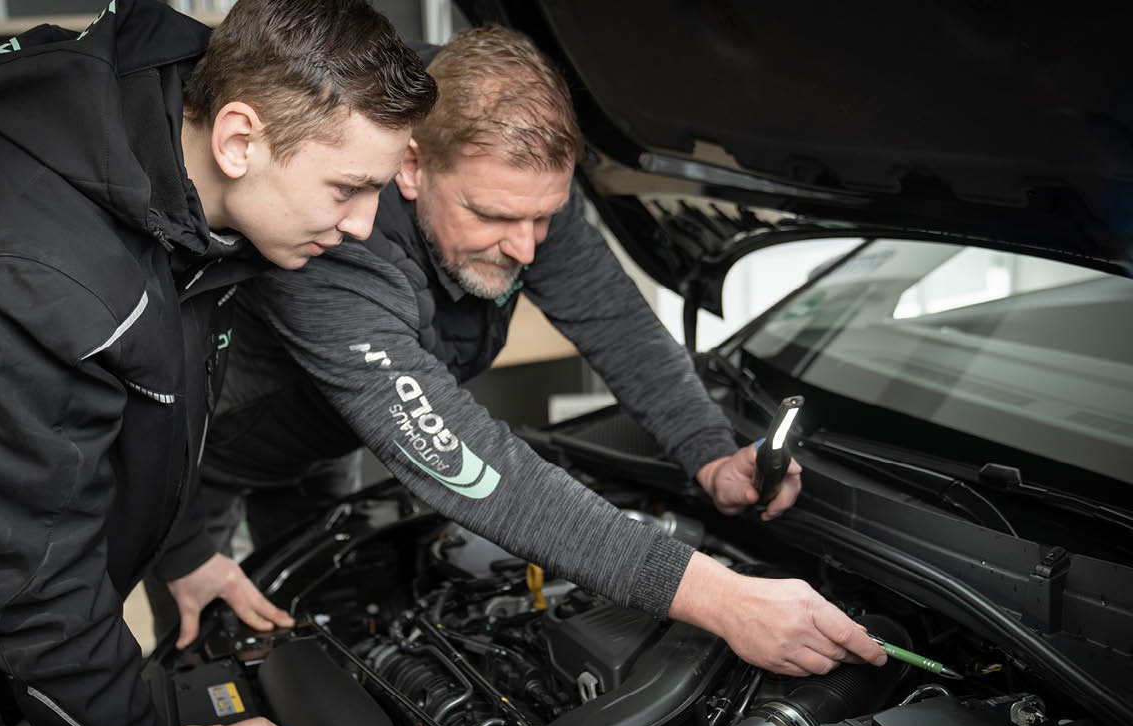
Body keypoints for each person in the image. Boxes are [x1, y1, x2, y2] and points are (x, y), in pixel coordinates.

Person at [194, 25, 886, 682]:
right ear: (411, 165)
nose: (527, 248)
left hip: (325, 436)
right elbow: (468, 461)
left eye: (543, 217)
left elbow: (617, 323)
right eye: (492, 217)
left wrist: (708, 452)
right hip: (202, 455)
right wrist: (720, 598)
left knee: (315, 616)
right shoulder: (332, 229)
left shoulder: (515, 175)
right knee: (207, 625)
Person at [0, 0, 436, 726]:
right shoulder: (40, 274)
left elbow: (144, 413)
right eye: (349, 188)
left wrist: (183, 552)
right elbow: (23, 585)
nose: (364, 225)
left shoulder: (167, 175)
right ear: (240, 140)